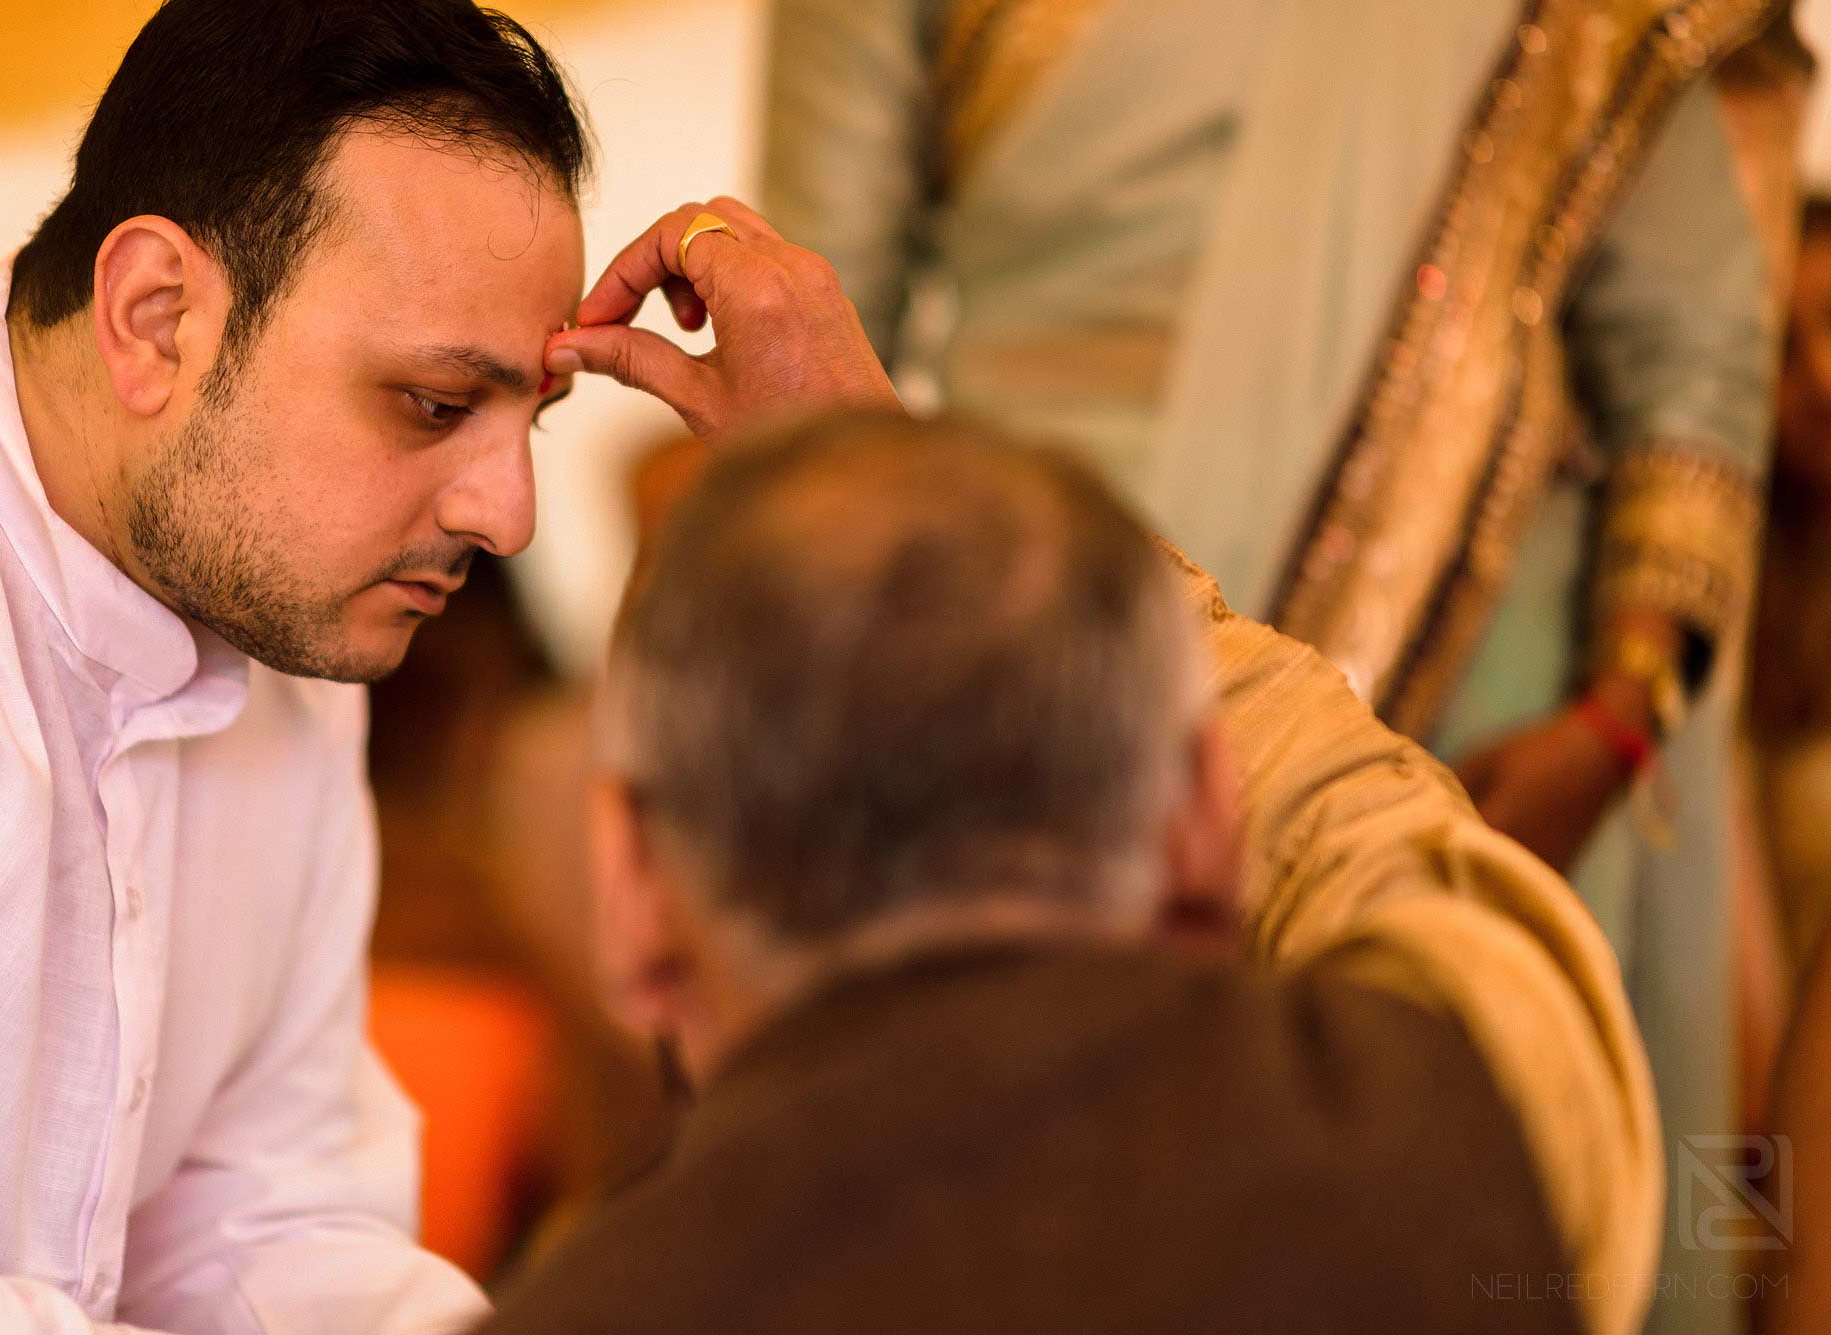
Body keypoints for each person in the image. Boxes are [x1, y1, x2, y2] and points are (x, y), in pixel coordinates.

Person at [758, 6, 1781, 1330]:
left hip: (1479, 723)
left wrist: (1617, 720)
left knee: (1457, 1221)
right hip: (1035, 681)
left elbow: (1689, 369)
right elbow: (811, 329)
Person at [549, 197, 1657, 1334]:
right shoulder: (1436, 1151)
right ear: (1200, 824)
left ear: (629, 896)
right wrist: (925, 495)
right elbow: (1438, 900)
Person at [0, 0, 593, 1327]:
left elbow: (273, 1224)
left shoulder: (285, 600)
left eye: (532, 417)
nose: (506, 515)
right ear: (155, 317)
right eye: (433, 403)